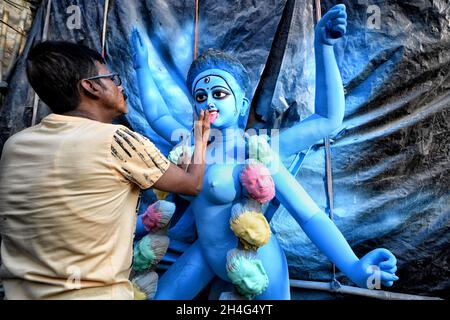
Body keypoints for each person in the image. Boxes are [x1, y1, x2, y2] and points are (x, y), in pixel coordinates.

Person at [131, 4, 399, 300]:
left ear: (242, 105)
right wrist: (142, 65)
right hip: (206, 256)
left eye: (219, 94)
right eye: (200, 95)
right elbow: (157, 116)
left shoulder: (258, 148)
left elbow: (326, 124)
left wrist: (323, 47)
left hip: (259, 262)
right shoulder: (191, 146)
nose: (208, 102)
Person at [0, 41, 210, 300]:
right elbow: (193, 184)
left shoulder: (15, 145)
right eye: (113, 78)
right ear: (91, 86)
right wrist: (200, 138)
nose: (121, 86)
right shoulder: (118, 141)